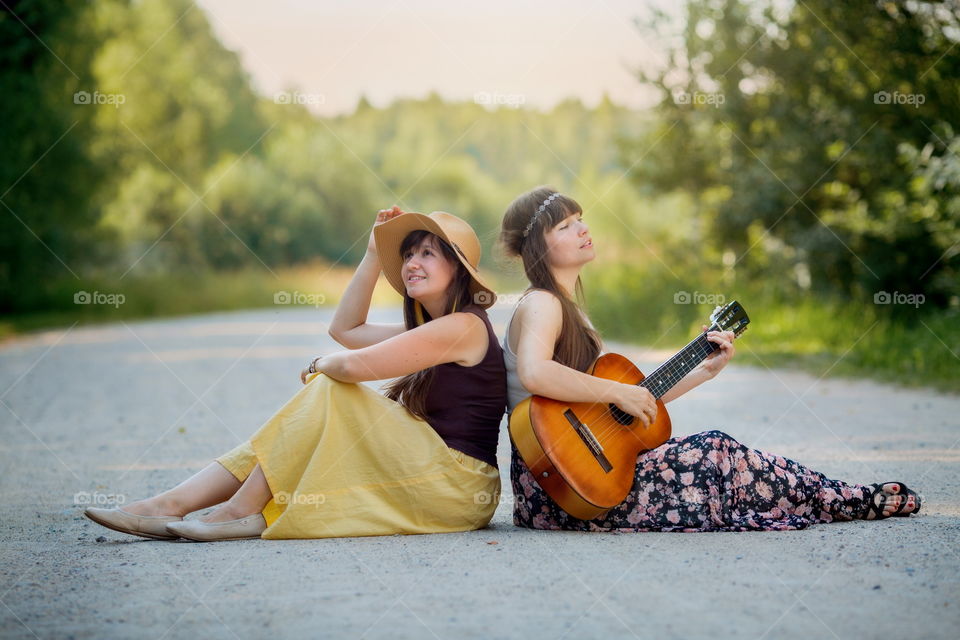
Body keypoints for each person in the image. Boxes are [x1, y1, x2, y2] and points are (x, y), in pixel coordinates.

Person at [498, 186, 921, 532]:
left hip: (574, 481)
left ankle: (840, 498)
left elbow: (628, 405)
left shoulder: (569, 310)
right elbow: (537, 373)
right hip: (554, 488)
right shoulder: (542, 304)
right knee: (713, 451)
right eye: (567, 226)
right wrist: (618, 390)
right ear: (538, 244)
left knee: (716, 455)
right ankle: (846, 500)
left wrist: (703, 371)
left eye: (581, 219)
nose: (583, 229)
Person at [85, 208, 507, 541]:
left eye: (428, 253)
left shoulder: (464, 327)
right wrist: (374, 254)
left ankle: (239, 511)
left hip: (458, 485)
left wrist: (315, 366)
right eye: (409, 253)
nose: (412, 263)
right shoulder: (433, 329)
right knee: (298, 419)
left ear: (458, 269)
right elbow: (345, 330)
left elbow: (349, 364)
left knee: (330, 388)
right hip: (436, 471)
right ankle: (170, 503)